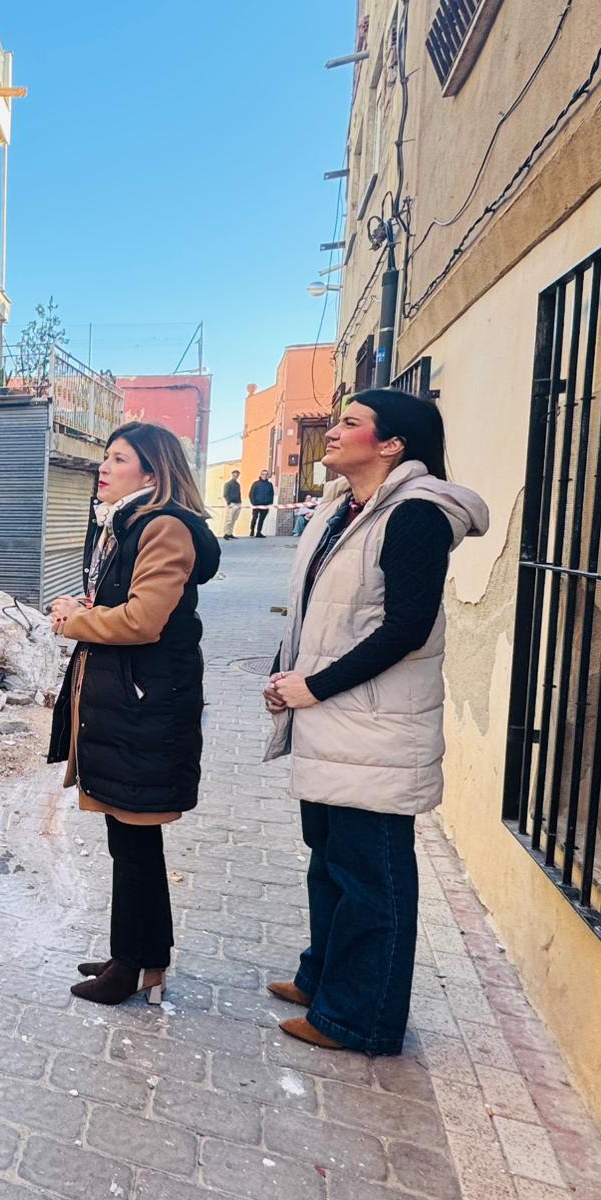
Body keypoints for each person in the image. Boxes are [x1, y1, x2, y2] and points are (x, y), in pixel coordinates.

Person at [263, 388, 487, 1054]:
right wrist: (288, 678)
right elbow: (315, 612)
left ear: (391, 444)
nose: (332, 432)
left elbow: (407, 630)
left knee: (373, 878)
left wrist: (316, 686)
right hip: (331, 721)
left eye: (350, 424)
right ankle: (324, 980)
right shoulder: (342, 512)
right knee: (329, 862)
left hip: (373, 728)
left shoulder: (414, 516)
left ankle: (360, 1018)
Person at [47, 422, 220, 1006]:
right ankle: (139, 955)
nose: (102, 467)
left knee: (137, 842)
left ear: (151, 472)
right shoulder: (125, 524)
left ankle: (136, 964)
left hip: (146, 706)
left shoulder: (163, 527)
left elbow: (145, 620)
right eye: (104, 456)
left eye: (117, 459)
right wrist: (87, 606)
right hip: (129, 703)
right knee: (129, 841)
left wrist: (75, 621)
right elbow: (124, 605)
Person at [248, 470, 275, 537]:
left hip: (265, 505)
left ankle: (259, 532)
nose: (264, 476)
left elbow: (272, 494)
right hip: (256, 504)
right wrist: (253, 502)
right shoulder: (256, 483)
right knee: (254, 518)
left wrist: (270, 502)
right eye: (263, 474)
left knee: (261, 519)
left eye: (266, 474)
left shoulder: (269, 484)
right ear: (260, 475)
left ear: (268, 475)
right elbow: (251, 493)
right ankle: (252, 530)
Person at [222, 470, 243, 540]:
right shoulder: (228, 484)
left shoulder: (237, 484)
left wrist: (240, 502)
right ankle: (226, 533)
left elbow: (239, 494)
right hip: (232, 504)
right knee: (229, 520)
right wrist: (229, 502)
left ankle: (230, 533)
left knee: (234, 519)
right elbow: (225, 494)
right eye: (235, 474)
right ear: (232, 474)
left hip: (238, 503)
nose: (236, 476)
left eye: (237, 474)